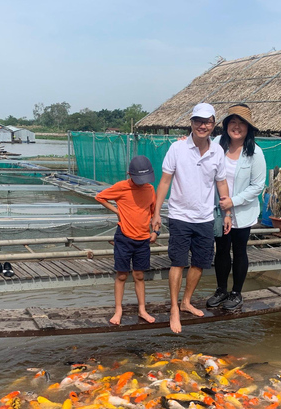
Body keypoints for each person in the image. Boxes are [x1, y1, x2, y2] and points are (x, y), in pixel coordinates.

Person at [152, 103, 231, 334]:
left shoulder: (217, 152)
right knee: (178, 262)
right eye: (198, 121)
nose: (202, 125)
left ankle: (187, 301)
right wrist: (156, 213)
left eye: (207, 121)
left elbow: (222, 182)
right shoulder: (177, 149)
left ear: (213, 125)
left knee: (200, 262)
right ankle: (174, 308)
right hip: (179, 215)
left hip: (205, 217)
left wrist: (227, 213)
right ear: (191, 123)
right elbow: (165, 181)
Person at [206, 104, 266, 311]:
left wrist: (234, 201)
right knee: (221, 249)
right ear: (226, 125)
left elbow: (258, 186)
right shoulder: (216, 144)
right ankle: (221, 289)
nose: (237, 127)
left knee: (239, 250)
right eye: (233, 122)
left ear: (248, 128)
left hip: (242, 211)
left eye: (242, 124)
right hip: (219, 210)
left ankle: (236, 292)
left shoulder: (255, 153)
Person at [95, 155, 158, 326]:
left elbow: (153, 213)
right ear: (129, 174)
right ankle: (118, 310)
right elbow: (100, 197)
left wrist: (156, 231)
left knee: (139, 275)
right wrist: (117, 211)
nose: (141, 183)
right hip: (124, 237)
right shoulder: (121, 187)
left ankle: (142, 309)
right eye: (138, 179)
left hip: (143, 238)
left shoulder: (150, 189)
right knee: (122, 275)